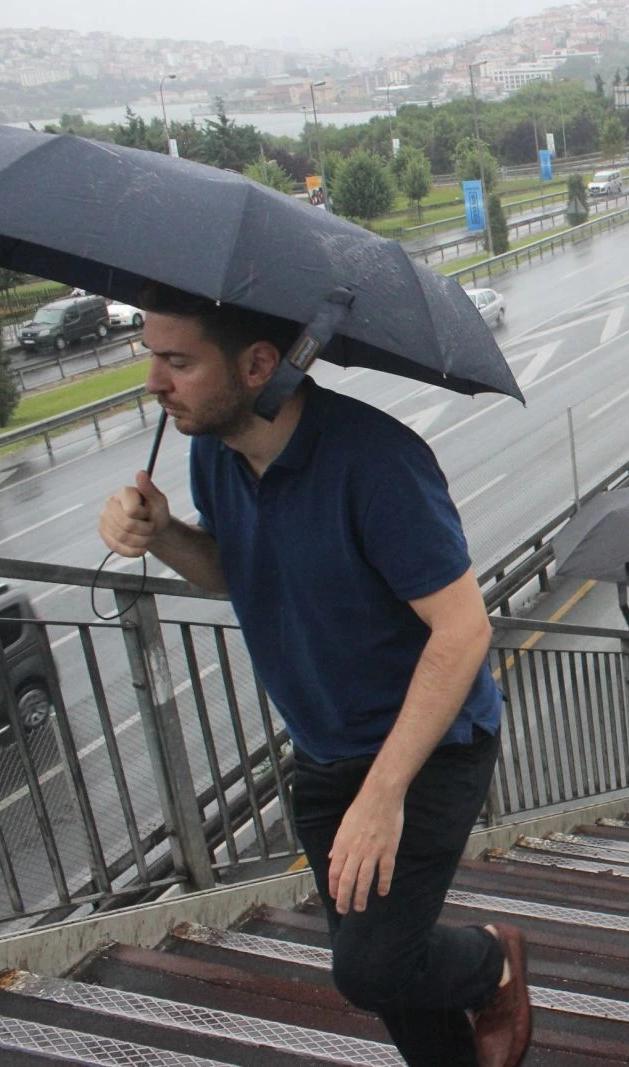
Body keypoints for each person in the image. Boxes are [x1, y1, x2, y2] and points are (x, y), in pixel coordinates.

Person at [97, 284, 531, 1067]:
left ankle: (493, 958)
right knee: (383, 973)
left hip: (429, 746)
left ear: (259, 363)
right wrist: (162, 534)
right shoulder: (214, 454)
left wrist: (384, 794)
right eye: (152, 358)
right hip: (325, 748)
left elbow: (464, 630)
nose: (154, 383)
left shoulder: (378, 463)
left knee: (372, 963)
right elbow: (236, 569)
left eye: (177, 362)